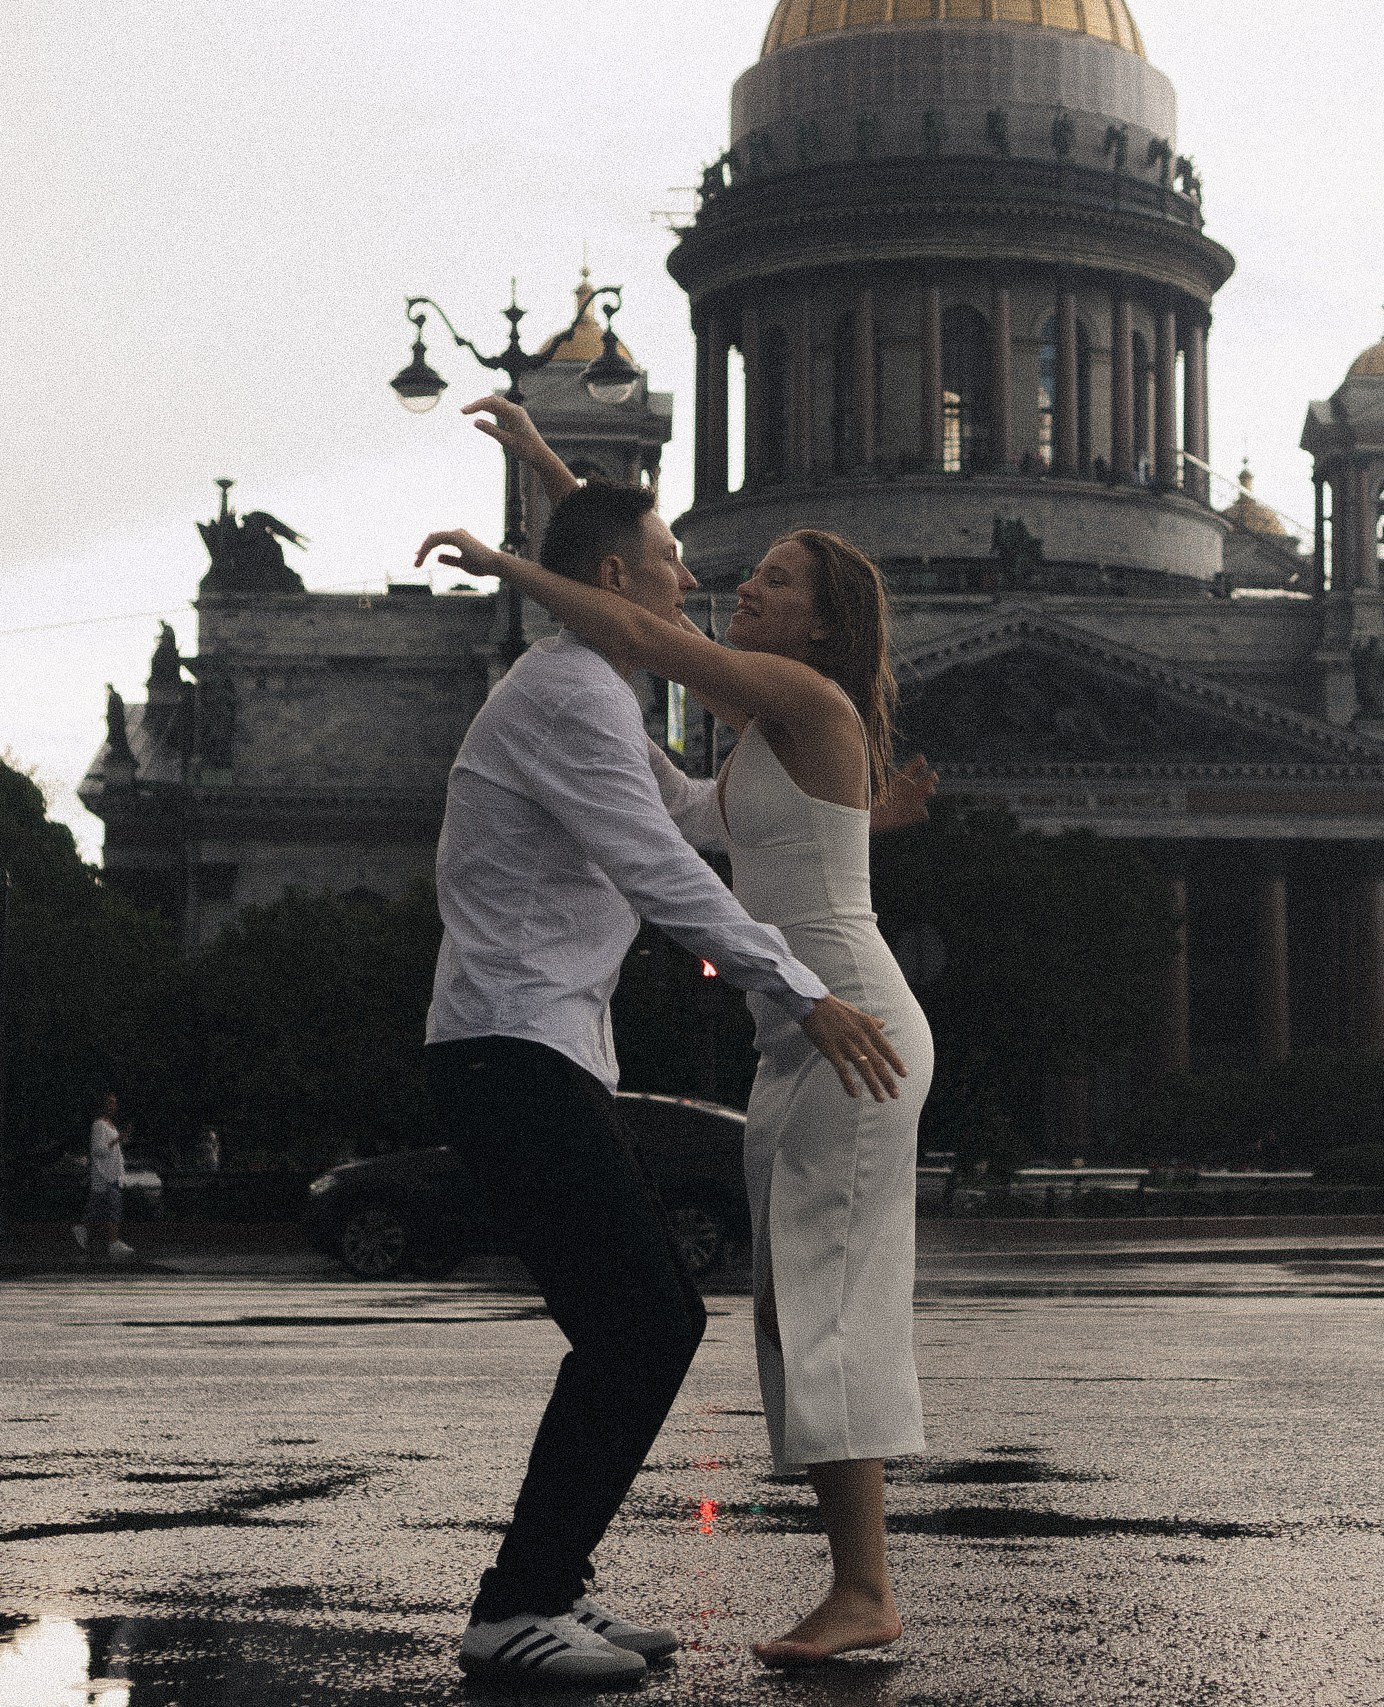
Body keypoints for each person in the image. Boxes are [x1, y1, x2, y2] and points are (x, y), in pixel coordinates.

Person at [428, 397, 939, 1672]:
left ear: (820, 618)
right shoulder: (625, 706)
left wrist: (524, 545)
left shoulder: (758, 695)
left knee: (733, 1310)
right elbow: (698, 840)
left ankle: (560, 1594)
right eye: (693, 566)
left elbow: (679, 790)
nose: (715, 582)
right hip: (743, 1025)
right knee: (707, 1312)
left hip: (817, 1026)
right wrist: (560, 503)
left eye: (764, 577)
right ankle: (541, 1591)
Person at [73, 1094, 133, 1263]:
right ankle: (113, 1243)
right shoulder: (99, 1125)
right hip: (105, 1173)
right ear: (101, 1105)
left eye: (115, 1103)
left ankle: (83, 1229)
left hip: (110, 1172)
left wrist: (120, 1139)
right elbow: (99, 1150)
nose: (113, 1106)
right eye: (109, 1103)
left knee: (98, 1208)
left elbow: (112, 1148)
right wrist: (119, 1138)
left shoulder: (110, 1125)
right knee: (113, 1207)